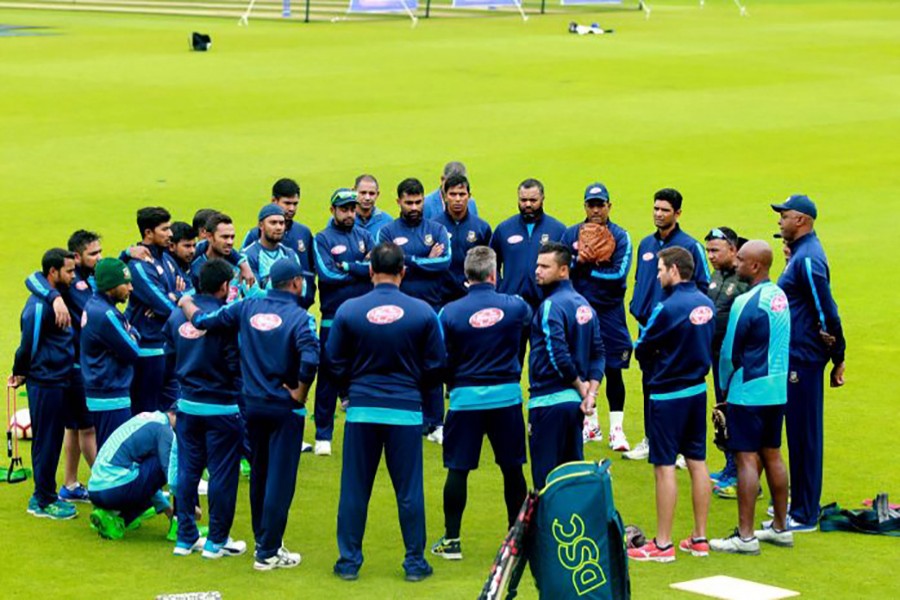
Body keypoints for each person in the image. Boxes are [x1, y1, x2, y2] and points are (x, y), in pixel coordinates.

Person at [181, 258, 319, 571]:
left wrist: (186, 302)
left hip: (252, 405)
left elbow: (203, 322)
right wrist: (300, 390)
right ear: (296, 283)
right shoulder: (300, 317)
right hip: (285, 407)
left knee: (260, 473)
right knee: (280, 480)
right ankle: (268, 552)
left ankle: (263, 541)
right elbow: (311, 357)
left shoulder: (246, 307)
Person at [328, 243, 444, 582]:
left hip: (362, 411)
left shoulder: (349, 310)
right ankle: (414, 564)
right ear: (404, 271)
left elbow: (333, 361)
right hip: (405, 413)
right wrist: (415, 388)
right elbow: (437, 365)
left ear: (369, 270)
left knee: (354, 489)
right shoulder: (423, 311)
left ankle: (349, 563)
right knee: (409, 491)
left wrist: (350, 390)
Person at [430, 247, 531, 561]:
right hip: (507, 397)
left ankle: (452, 540)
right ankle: (516, 541)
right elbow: (525, 335)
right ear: (493, 274)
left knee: (458, 470)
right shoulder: (516, 307)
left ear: (466, 276)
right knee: (512, 469)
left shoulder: (449, 312)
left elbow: (440, 357)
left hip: (464, 399)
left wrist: (454, 381)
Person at [627, 247, 714, 563]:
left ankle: (662, 545)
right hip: (698, 391)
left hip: (667, 395)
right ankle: (700, 538)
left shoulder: (666, 307)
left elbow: (643, 346)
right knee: (697, 461)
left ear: (675, 270)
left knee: (663, 467)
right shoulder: (706, 303)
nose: (658, 275)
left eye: (661, 269)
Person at [709, 240, 793, 555]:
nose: (737, 264)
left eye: (742, 259)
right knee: (773, 453)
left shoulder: (745, 300)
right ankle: (781, 527)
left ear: (755, 266)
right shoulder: (779, 296)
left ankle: (745, 537)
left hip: (749, 390)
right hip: (777, 388)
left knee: (746, 457)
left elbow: (729, 352)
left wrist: (725, 389)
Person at [769, 194, 846, 532]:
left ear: (800, 220)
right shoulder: (801, 255)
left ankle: (804, 512)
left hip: (803, 357)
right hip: (795, 355)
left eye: (783, 216)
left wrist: (837, 355)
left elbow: (827, 310)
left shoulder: (808, 260)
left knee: (805, 435)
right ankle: (797, 505)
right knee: (797, 432)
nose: (779, 221)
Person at [164, 259, 245, 559]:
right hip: (221, 407)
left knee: (188, 472)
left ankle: (185, 538)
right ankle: (216, 542)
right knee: (223, 475)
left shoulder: (176, 316)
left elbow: (169, 354)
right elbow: (236, 363)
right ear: (225, 287)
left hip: (188, 405)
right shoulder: (224, 318)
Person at [625, 188, 710, 462]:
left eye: (665, 210)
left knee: (678, 384)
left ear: (678, 213)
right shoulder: (646, 245)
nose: (659, 214)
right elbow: (641, 281)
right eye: (656, 209)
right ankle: (651, 439)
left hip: (678, 330)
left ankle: (683, 449)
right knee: (650, 381)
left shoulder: (690, 245)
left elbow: (703, 287)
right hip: (648, 327)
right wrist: (637, 307)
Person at [24, 230, 102, 503]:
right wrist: (54, 297)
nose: (99, 257)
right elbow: (33, 277)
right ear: (77, 257)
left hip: (79, 365)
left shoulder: (91, 277)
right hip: (72, 367)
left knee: (77, 426)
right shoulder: (66, 282)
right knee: (83, 427)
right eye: (93, 253)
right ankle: (108, 483)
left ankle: (70, 484)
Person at [377, 177, 451, 442]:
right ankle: (408, 415)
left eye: (418, 202)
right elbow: (386, 262)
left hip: (432, 308)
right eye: (408, 202)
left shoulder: (437, 229)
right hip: (397, 309)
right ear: (398, 202)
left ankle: (436, 422)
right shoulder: (386, 231)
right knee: (401, 364)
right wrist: (424, 260)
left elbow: (443, 262)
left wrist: (406, 262)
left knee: (433, 364)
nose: (414, 207)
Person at [561, 183, 634, 451]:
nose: (595, 209)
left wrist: (587, 268)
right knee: (578, 368)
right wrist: (577, 262)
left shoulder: (621, 236)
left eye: (600, 204)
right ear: (584, 206)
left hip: (609, 311)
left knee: (613, 370)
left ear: (609, 206)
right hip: (579, 312)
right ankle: (589, 424)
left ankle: (617, 431)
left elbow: (618, 276)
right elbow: (560, 270)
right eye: (590, 204)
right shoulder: (570, 234)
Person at [527, 242, 605, 490]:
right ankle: (574, 528)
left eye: (544, 266)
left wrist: (582, 389)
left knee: (546, 481)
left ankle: (547, 529)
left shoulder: (551, 305)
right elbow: (599, 353)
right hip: (574, 407)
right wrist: (589, 394)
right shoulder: (584, 304)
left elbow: (557, 354)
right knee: (572, 478)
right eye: (537, 265)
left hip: (548, 403)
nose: (537, 271)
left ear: (563, 270)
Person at [9, 248, 79, 520]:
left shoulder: (55, 296)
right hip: (45, 382)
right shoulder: (39, 307)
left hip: (58, 378)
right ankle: (42, 500)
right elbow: (28, 345)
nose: (73, 276)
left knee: (53, 437)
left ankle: (46, 494)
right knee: (46, 441)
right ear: (53, 273)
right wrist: (20, 372)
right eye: (69, 271)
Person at [312, 188, 375, 456]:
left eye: (352, 209)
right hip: (333, 319)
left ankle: (363, 432)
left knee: (364, 373)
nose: (349, 213)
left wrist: (347, 267)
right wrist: (358, 268)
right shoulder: (322, 238)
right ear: (333, 211)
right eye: (344, 209)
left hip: (363, 318)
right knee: (328, 375)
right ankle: (323, 435)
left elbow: (374, 271)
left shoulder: (365, 236)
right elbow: (327, 274)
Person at [81, 258, 164, 448]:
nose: (131, 288)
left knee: (111, 452)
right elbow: (134, 350)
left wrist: (128, 328)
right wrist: (132, 330)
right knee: (116, 455)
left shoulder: (96, 305)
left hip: (104, 392)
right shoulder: (107, 315)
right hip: (110, 395)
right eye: (125, 283)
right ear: (111, 286)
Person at [491, 178, 567, 367]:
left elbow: (565, 269)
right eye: (523, 200)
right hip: (512, 307)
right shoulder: (504, 229)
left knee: (543, 359)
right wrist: (501, 289)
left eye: (533, 200)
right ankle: (512, 396)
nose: (527, 205)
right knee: (510, 360)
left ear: (542, 199)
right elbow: (492, 263)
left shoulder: (558, 230)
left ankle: (539, 394)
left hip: (544, 306)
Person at [704, 227, 751, 497]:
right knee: (723, 411)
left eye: (715, 251)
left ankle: (740, 474)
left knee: (736, 413)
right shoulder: (716, 275)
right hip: (717, 354)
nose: (710, 256)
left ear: (733, 250)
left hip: (737, 359)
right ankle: (729, 466)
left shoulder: (744, 278)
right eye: (708, 250)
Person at [125, 207, 182, 415]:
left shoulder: (167, 258)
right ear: (148, 233)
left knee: (172, 412)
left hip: (168, 347)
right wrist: (173, 298)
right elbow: (165, 306)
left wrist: (175, 296)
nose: (170, 234)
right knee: (146, 413)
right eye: (165, 229)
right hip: (147, 352)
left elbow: (188, 289)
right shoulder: (139, 266)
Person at [87, 410, 176, 541]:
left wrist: (167, 509)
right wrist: (186, 507)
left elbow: (148, 481)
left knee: (147, 469)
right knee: (169, 460)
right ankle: (121, 519)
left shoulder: (145, 418)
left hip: (94, 490)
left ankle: (107, 514)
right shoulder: (164, 430)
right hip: (115, 489)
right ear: (175, 415)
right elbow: (168, 472)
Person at [241, 178, 316, 308]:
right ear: (274, 201)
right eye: (287, 203)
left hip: (295, 309)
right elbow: (249, 287)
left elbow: (310, 271)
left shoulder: (303, 233)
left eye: (295, 204)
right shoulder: (252, 241)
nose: (291, 208)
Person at [433, 173, 492, 305]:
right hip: (442, 298)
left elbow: (490, 264)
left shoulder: (482, 228)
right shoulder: (434, 227)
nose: (458, 199)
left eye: (462, 194)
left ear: (469, 196)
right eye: (452, 194)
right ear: (445, 196)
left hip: (474, 297)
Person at [243, 205, 303, 288]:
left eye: (281, 223)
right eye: (273, 223)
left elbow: (301, 287)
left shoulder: (291, 254)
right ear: (261, 225)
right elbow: (253, 292)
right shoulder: (249, 255)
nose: (278, 227)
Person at [168, 222, 197, 296]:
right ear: (172, 246)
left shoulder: (193, 260)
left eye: (194, 246)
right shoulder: (166, 269)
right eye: (187, 246)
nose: (192, 251)